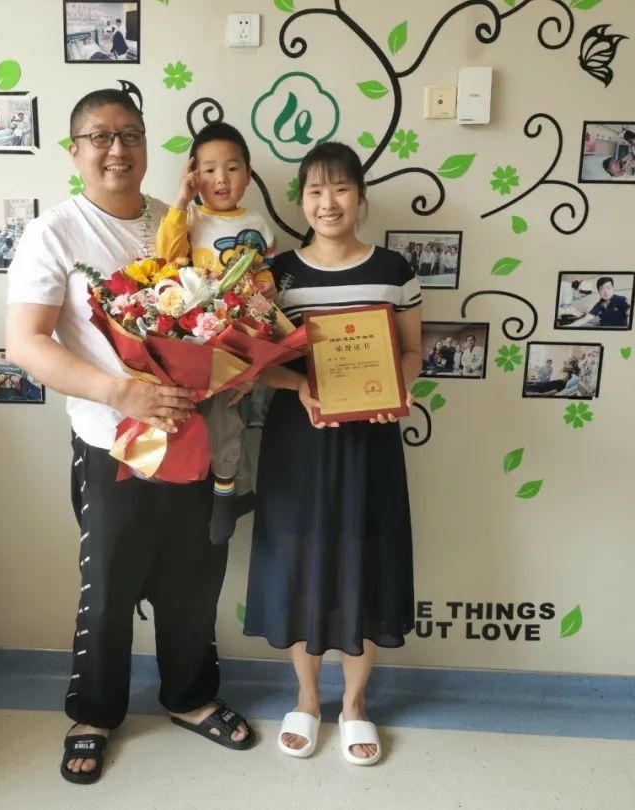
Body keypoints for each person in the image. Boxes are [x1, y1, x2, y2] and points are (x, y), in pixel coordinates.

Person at [5, 88, 254, 786]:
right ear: (75, 151)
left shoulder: (180, 222)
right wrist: (121, 392)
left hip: (194, 437)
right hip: (111, 443)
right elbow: (25, 343)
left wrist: (234, 370)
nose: (118, 149)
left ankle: (191, 696)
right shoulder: (54, 233)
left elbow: (222, 319)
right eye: (101, 136)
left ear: (146, 145)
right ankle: (92, 715)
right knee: (109, 586)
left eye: (131, 135)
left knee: (194, 579)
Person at [244, 141, 422, 766]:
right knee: (300, 562)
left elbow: (412, 352)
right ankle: (305, 697)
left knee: (363, 564)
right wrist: (299, 387)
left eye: (341, 188)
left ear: (360, 196)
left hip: (370, 439)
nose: (328, 202)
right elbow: (257, 363)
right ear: (301, 199)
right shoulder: (276, 275)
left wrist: (394, 389)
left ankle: (353, 704)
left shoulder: (396, 269)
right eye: (316, 190)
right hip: (299, 440)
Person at [155, 121, 276, 544]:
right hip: (190, 338)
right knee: (183, 421)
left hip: (236, 339)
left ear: (248, 173)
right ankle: (180, 490)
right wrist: (180, 200)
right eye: (208, 170)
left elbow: (265, 277)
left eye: (232, 168)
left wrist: (263, 310)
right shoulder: (188, 218)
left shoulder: (258, 223)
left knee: (227, 419)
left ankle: (228, 493)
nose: (221, 179)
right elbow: (166, 258)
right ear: (194, 175)